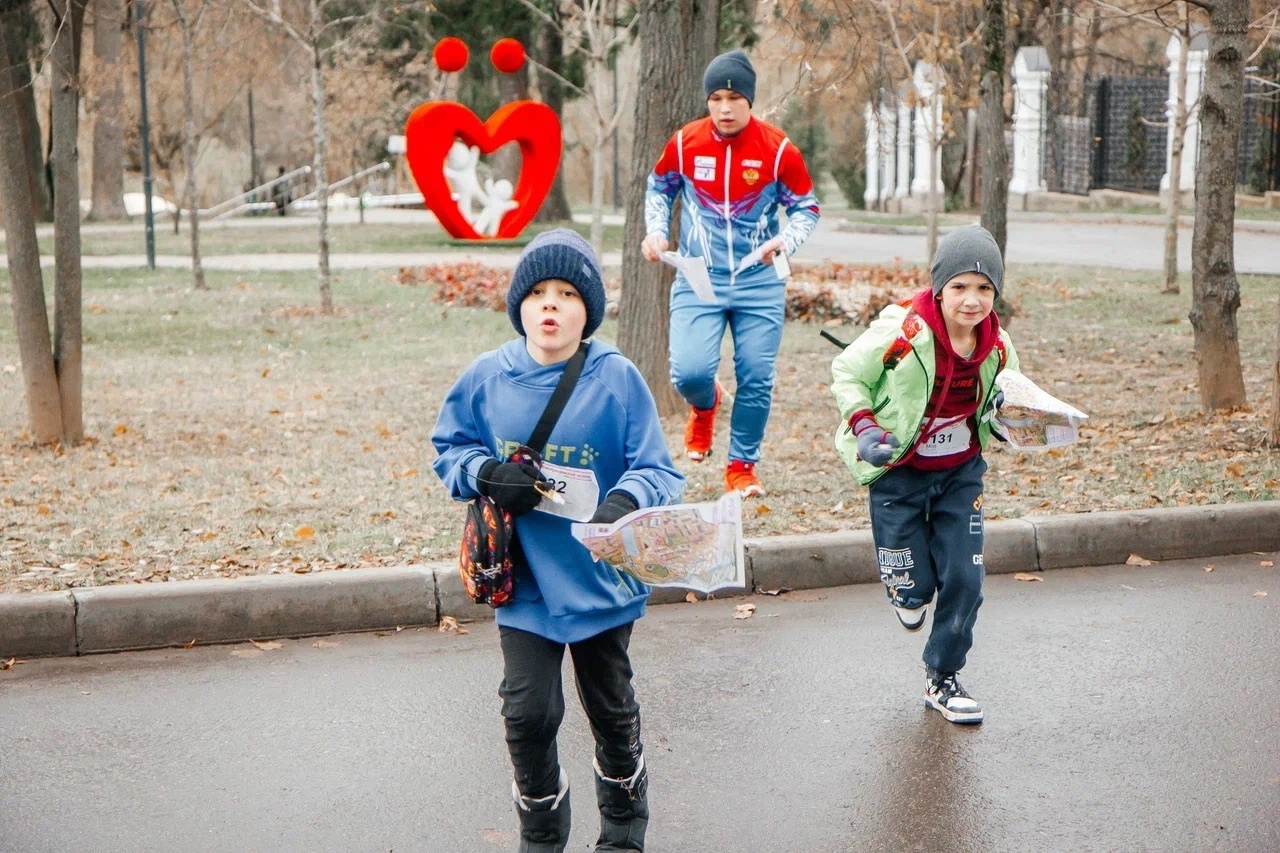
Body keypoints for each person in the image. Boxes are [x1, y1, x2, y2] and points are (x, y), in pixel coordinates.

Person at [432, 228, 684, 852]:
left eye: (568, 293)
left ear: (588, 310)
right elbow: (450, 450)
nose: (551, 304)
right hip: (525, 580)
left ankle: (625, 822)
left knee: (610, 707)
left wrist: (627, 499)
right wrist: (484, 473)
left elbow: (660, 470)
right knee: (527, 714)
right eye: (538, 292)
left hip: (600, 580)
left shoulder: (617, 379)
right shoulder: (488, 377)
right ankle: (542, 826)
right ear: (519, 304)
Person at [829, 226, 1020, 725]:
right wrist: (865, 426)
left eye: (984, 289)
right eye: (959, 287)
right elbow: (848, 372)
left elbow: (1007, 396)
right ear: (938, 288)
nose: (972, 301)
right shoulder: (903, 333)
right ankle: (907, 590)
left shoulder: (998, 345)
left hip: (960, 473)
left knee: (965, 576)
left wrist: (1013, 422)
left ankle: (943, 676)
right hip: (897, 469)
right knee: (912, 585)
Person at [640, 49, 820, 499]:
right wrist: (657, 234)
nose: (724, 107)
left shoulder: (779, 150)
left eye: (734, 98)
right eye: (716, 97)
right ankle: (706, 404)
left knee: (756, 375)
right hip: (699, 275)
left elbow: (806, 208)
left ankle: (741, 467)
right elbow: (659, 190)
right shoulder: (685, 143)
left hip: (759, 280)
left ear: (750, 101)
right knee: (689, 373)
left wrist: (786, 241)